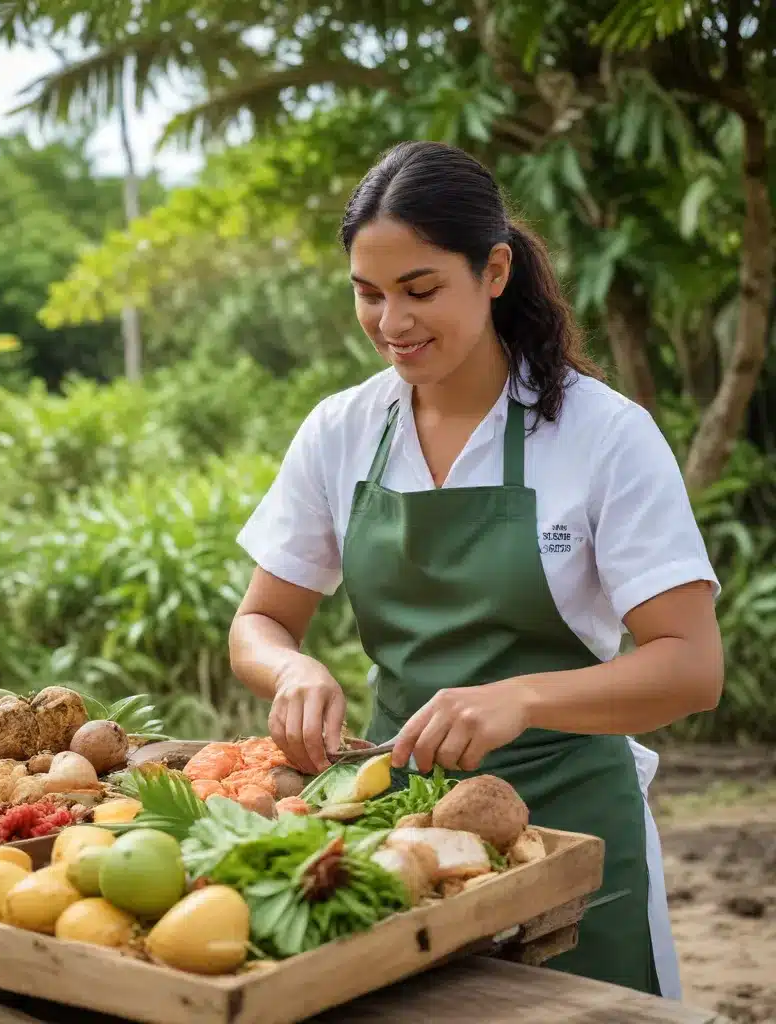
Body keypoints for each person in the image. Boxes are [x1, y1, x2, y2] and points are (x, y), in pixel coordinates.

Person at [228, 140, 723, 999]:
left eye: (420, 290)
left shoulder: (603, 436)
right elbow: (259, 622)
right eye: (368, 294)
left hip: (571, 839)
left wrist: (521, 697)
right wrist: (292, 667)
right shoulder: (341, 432)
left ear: (494, 271)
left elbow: (691, 666)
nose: (392, 323)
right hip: (397, 834)